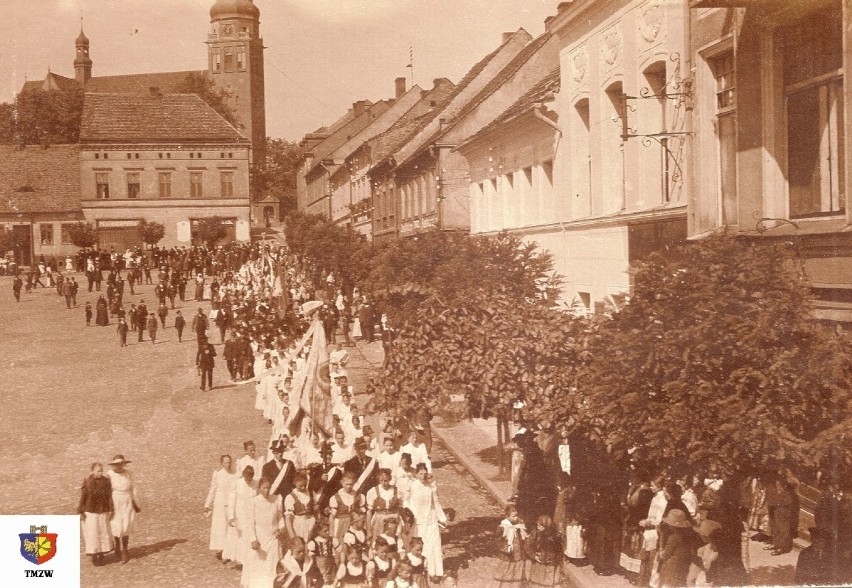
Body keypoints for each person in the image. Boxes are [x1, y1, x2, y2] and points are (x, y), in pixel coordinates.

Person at [242, 477, 285, 588]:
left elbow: (280, 516)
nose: (267, 490)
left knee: (272, 564)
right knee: (259, 564)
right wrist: (253, 539)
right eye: (264, 488)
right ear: (259, 488)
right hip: (260, 539)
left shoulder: (275, 499)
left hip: (273, 537)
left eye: (268, 488)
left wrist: (281, 527)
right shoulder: (253, 502)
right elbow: (250, 523)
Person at [408, 463, 447, 581]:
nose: (422, 476)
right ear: (416, 474)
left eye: (424, 473)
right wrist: (408, 515)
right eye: (420, 474)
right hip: (418, 521)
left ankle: (435, 571)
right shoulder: (413, 485)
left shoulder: (431, 486)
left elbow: (436, 503)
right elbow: (406, 501)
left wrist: (442, 518)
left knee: (434, 545)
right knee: (423, 545)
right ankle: (423, 570)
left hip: (431, 519)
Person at [106, 454, 141, 564]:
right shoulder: (109, 474)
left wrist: (136, 502)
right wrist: (109, 506)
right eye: (116, 464)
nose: (119, 466)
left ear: (124, 464)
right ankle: (117, 548)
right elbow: (107, 491)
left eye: (121, 464)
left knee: (126, 525)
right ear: (113, 465)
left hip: (127, 501)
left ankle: (125, 550)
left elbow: (133, 488)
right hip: (115, 500)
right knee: (116, 525)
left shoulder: (129, 473)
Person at [78, 462, 114, 566]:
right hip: (91, 511)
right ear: (92, 471)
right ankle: (94, 555)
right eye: (98, 471)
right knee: (93, 534)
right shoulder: (87, 481)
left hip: (103, 511)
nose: (100, 473)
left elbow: (109, 496)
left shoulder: (106, 481)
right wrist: (80, 510)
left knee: (103, 533)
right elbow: (83, 496)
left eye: (101, 470)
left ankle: (102, 554)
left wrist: (111, 509)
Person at [657, 509, 700, 588]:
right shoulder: (689, 537)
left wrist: (661, 536)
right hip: (683, 566)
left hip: (672, 568)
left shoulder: (673, 538)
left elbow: (664, 555)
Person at [225, 465, 257, 569]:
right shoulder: (237, 484)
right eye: (247, 478)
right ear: (243, 475)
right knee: (241, 538)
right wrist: (231, 516)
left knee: (251, 536)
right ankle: (241, 560)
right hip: (240, 515)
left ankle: (249, 560)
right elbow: (232, 499)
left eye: (250, 478)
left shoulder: (255, 484)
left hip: (252, 514)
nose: (248, 480)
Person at [204, 454, 236, 561]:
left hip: (232, 504)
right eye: (226, 462)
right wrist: (207, 504)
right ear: (222, 463)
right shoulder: (218, 474)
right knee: (221, 528)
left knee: (231, 528)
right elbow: (213, 489)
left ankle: (230, 551)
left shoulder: (235, 474)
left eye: (230, 462)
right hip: (220, 504)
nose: (228, 464)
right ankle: (222, 551)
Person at [495, 505, 527, 584]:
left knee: (517, 576)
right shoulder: (503, 527)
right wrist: (506, 548)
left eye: (516, 515)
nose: (516, 518)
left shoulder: (520, 525)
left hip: (519, 555)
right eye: (513, 516)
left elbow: (524, 539)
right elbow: (498, 541)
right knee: (507, 575)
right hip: (508, 556)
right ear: (507, 516)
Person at [284, 472, 317, 543]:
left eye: (305, 485)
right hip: (299, 526)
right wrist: (292, 535)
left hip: (311, 524)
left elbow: (316, 509)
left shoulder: (311, 493)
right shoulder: (290, 497)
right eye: (300, 485)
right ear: (295, 483)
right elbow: (288, 518)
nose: (303, 487)